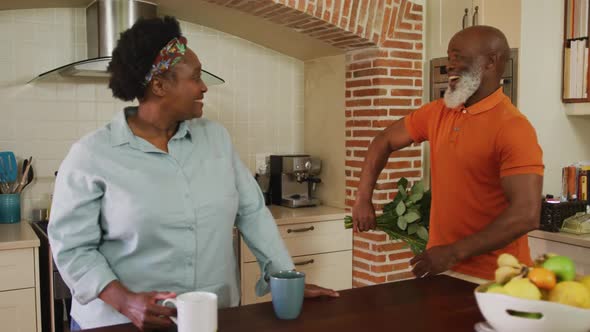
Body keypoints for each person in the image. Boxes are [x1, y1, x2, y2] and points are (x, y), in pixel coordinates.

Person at [48, 16, 338, 331]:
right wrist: (125, 300)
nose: (203, 87)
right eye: (195, 77)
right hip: (119, 323)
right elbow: (72, 247)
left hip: (209, 318)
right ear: (159, 85)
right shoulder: (92, 154)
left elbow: (252, 212)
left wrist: (285, 279)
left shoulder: (216, 140)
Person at [352, 25, 544, 282]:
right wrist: (363, 197)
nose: (449, 67)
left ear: (491, 62)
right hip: (443, 269)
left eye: (459, 58)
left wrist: (454, 252)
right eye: (448, 59)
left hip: (499, 278)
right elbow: (383, 140)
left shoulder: (513, 127)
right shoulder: (437, 112)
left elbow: (526, 214)